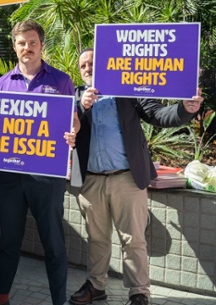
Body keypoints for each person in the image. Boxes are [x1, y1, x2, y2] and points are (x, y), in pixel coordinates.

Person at [69, 48, 203, 305]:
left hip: (126, 179)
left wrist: (185, 109)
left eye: (93, 63)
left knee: (133, 239)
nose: (88, 68)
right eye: (83, 65)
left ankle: (139, 292)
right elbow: (60, 126)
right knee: (96, 238)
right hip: (91, 181)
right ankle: (96, 285)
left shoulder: (127, 90)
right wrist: (80, 106)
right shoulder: (75, 96)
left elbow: (158, 115)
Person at [0, 20, 79, 305]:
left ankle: (58, 301)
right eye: (22, 43)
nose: (27, 47)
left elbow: (73, 119)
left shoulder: (61, 80)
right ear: (15, 46)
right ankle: (1, 298)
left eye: (32, 42)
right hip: (8, 176)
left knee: (53, 243)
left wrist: (73, 132)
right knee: (9, 240)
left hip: (45, 176)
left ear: (41, 45)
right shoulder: (1, 83)